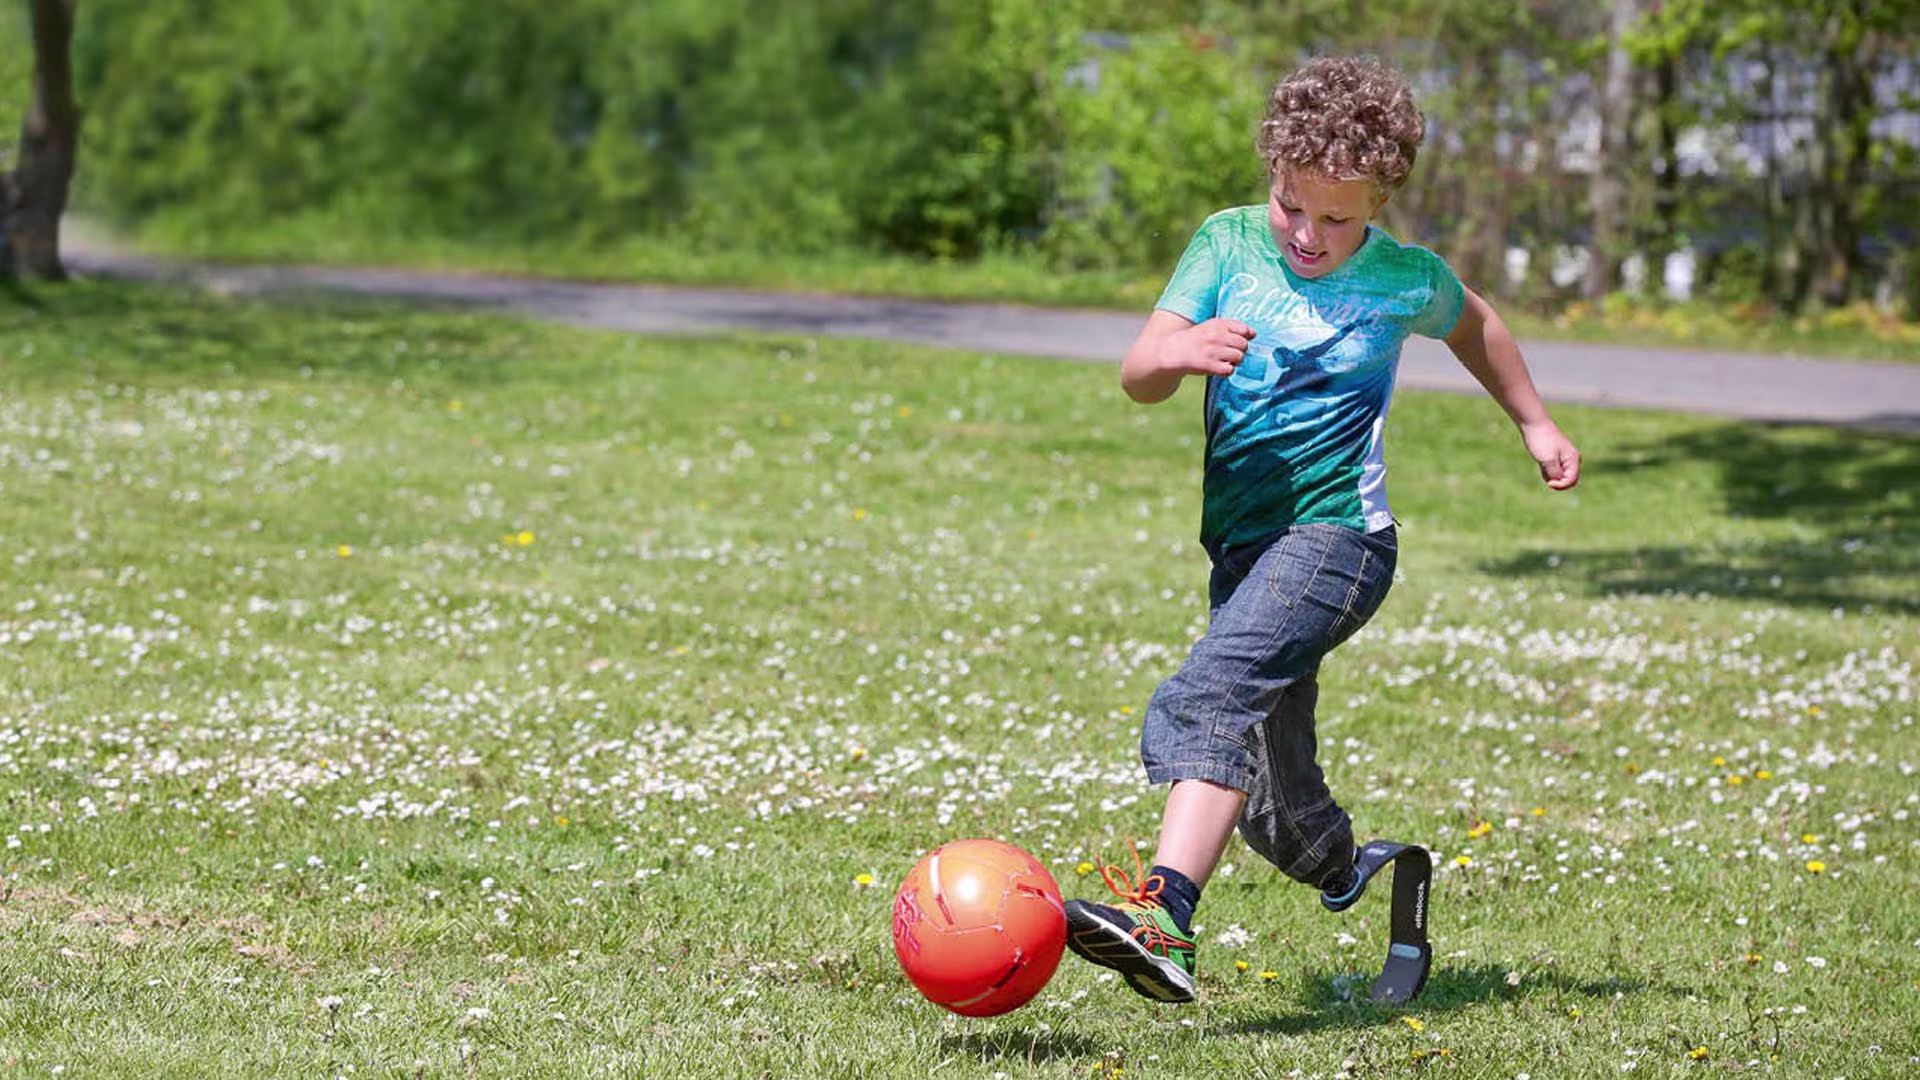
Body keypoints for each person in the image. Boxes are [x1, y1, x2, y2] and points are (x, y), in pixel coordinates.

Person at [1063, 54, 1581, 1004]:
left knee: (1207, 696)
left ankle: (1164, 919)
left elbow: (1477, 326)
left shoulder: (1401, 279)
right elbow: (1138, 371)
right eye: (1291, 206)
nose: (1308, 233)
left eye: (1337, 218)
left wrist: (1533, 419)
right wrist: (1177, 351)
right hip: (1245, 550)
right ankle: (1348, 863)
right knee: (1267, 793)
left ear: (1382, 199)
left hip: (1341, 542)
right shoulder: (1224, 244)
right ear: (1274, 172)